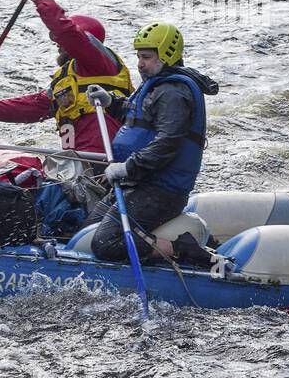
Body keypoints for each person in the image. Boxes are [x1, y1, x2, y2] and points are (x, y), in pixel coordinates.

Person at [85, 22, 219, 265]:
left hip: (161, 190)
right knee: (87, 230)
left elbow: (167, 143)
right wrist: (110, 102)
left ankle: (181, 248)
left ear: (167, 55)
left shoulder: (174, 93)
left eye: (146, 57)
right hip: (137, 182)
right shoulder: (158, 86)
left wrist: (127, 167)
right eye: (138, 56)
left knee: (105, 243)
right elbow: (137, 115)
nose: (140, 63)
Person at [0, 0, 133, 154]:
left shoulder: (100, 62)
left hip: (105, 157)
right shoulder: (65, 80)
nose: (57, 43)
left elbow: (67, 33)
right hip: (77, 162)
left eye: (59, 40)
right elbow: (33, 107)